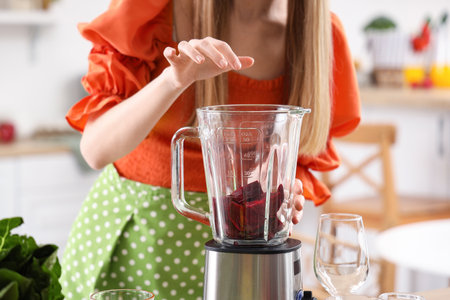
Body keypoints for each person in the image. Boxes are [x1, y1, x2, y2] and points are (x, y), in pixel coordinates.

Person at [60, 0, 360, 299]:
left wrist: (282, 190)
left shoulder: (319, 35)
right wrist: (174, 80)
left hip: (243, 263)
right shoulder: (152, 12)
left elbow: (297, 154)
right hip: (138, 243)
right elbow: (95, 150)